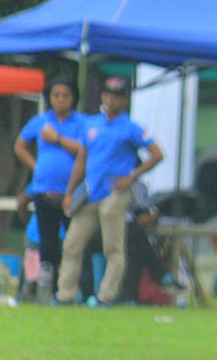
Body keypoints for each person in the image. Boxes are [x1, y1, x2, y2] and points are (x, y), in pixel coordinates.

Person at [56, 77, 164, 307]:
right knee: (72, 243)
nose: (111, 99)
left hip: (114, 192)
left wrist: (132, 176)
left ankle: (105, 295)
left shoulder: (131, 127)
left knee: (112, 247)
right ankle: (64, 294)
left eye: (117, 95)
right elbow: (81, 160)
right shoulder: (91, 125)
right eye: (108, 94)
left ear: (125, 100)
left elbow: (157, 154)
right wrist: (69, 192)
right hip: (90, 192)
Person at [14, 76, 87, 297]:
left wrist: (58, 139)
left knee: (73, 242)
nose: (61, 100)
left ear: (74, 98)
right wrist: (35, 166)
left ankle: (73, 288)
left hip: (72, 192)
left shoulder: (82, 122)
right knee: (48, 242)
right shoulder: (40, 121)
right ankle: (49, 288)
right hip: (44, 188)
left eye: (66, 95)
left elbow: (85, 150)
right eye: (56, 95)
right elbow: (20, 146)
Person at [120, 180, 182, 305]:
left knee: (135, 250)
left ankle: (130, 298)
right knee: (137, 234)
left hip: (128, 231)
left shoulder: (137, 186)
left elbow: (140, 210)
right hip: (109, 229)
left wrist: (150, 217)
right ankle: (162, 276)